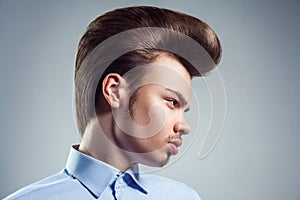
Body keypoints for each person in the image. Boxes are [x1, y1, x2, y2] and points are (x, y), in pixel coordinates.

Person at [5, 6, 221, 200]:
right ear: (114, 90)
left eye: (184, 110)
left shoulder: (183, 197)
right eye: (172, 102)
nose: (184, 126)